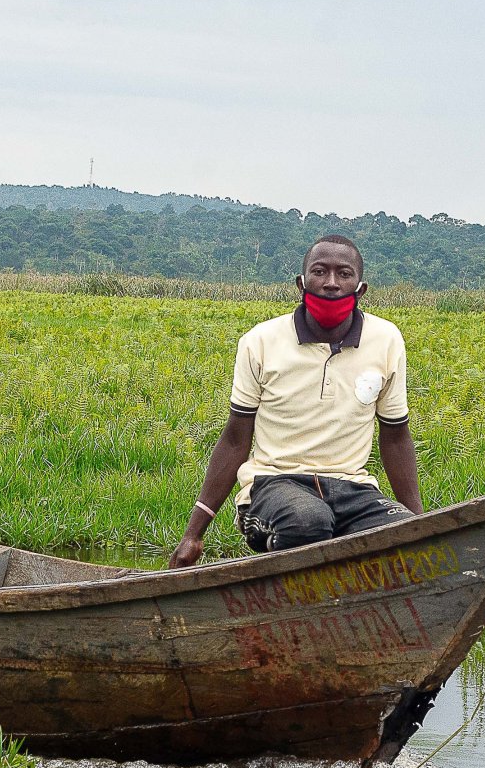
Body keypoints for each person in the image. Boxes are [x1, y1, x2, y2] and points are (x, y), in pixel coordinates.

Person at [169, 235, 423, 566]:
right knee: (308, 522)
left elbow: (396, 436)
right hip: (274, 486)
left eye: (344, 274)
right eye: (320, 272)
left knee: (399, 536)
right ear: (301, 283)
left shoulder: (386, 340)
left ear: (360, 289)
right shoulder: (261, 341)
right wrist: (193, 534)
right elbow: (235, 440)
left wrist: (419, 526)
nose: (331, 283)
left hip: (352, 488)